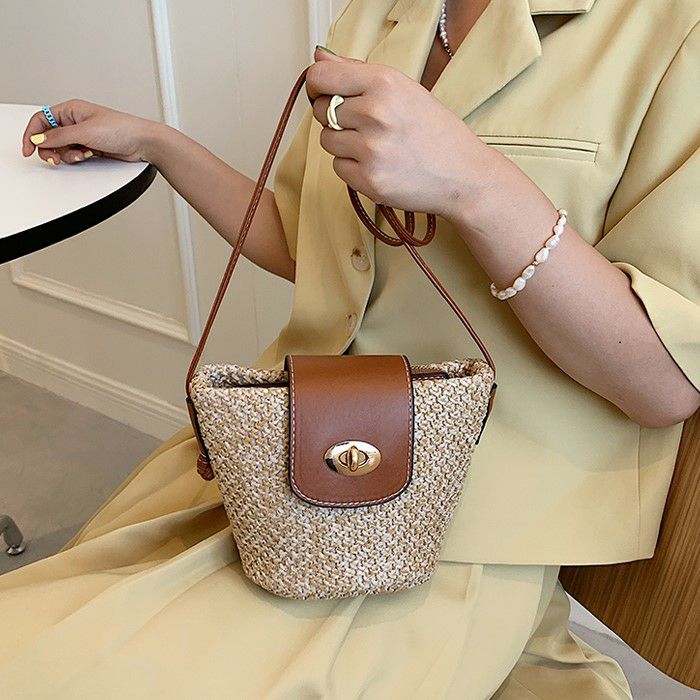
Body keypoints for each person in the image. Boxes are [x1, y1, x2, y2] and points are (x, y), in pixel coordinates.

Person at [2, 0, 698, 697]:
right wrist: (158, 144)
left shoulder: (672, 28)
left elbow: (664, 385)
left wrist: (474, 183)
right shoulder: (374, 17)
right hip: (278, 448)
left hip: (459, 522)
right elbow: (306, 241)